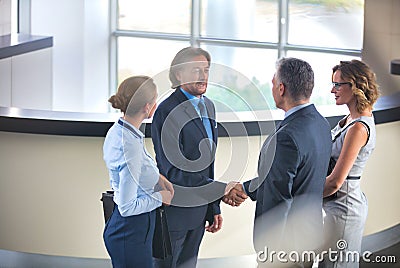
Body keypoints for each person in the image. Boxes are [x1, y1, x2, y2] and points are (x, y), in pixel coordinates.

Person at [226, 57, 332, 267]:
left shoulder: (287, 136)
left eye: (273, 83)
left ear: (281, 88)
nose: (272, 87)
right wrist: (246, 188)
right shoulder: (321, 124)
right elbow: (288, 177)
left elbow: (279, 197)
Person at [151, 47, 233, 268]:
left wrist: (213, 206)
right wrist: (220, 189)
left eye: (206, 70)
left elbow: (207, 164)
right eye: (196, 70)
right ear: (179, 74)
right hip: (174, 214)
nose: (203, 76)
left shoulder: (209, 106)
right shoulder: (166, 111)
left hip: (198, 213)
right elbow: (172, 171)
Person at [103, 76, 174, 268]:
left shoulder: (120, 130)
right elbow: (127, 207)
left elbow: (131, 168)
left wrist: (157, 177)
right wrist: (161, 197)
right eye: (155, 100)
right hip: (130, 233)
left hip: (131, 232)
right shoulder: (130, 148)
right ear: (147, 107)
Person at [319, 60, 379, 268]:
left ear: (355, 86)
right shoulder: (350, 119)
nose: (332, 90)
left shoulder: (358, 128)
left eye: (337, 85)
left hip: (344, 209)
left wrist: (300, 194)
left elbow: (335, 182)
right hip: (338, 206)